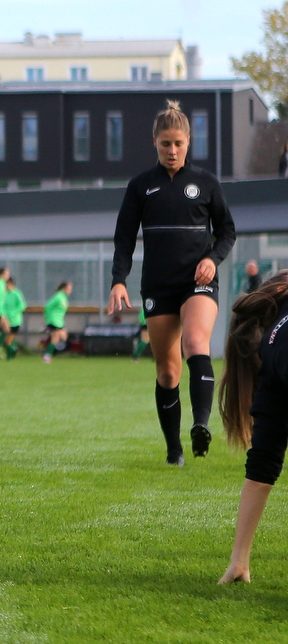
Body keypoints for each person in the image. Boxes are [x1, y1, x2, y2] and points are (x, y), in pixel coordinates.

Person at [107, 100, 236, 465]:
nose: (172, 150)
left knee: (197, 341)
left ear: (188, 142)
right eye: (166, 143)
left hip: (196, 281)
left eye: (178, 143)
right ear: (155, 142)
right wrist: (119, 280)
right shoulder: (140, 186)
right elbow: (124, 238)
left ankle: (201, 425)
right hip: (158, 286)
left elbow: (227, 231)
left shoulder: (206, 184)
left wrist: (212, 258)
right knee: (167, 370)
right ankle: (174, 450)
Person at [217, 272, 288, 584]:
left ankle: (240, 564)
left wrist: (239, 558)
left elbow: (261, 469)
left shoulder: (274, 352)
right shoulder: (276, 353)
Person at [42, 282, 72, 364]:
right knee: (55, 338)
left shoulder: (63, 297)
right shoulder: (58, 296)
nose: (70, 291)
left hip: (59, 321)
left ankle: (47, 356)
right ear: (64, 288)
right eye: (69, 288)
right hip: (54, 321)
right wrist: (48, 320)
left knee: (60, 338)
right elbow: (47, 306)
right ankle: (46, 357)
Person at [2, 277, 26, 361]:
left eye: (7, 285)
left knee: (7, 341)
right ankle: (13, 350)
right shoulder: (4, 294)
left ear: (11, 284)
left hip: (15, 321)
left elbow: (22, 306)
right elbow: (1, 305)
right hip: (5, 320)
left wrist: (13, 314)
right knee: (2, 339)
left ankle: (9, 356)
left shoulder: (17, 293)